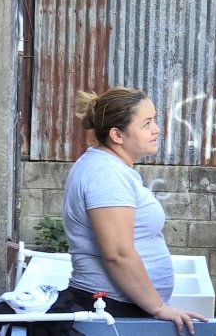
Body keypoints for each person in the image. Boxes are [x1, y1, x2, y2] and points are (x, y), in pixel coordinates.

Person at [62, 87, 207, 335]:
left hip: (123, 305)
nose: (157, 129)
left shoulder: (110, 167)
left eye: (154, 120)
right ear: (117, 134)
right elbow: (117, 254)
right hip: (113, 309)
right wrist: (158, 307)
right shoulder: (106, 174)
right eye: (147, 123)